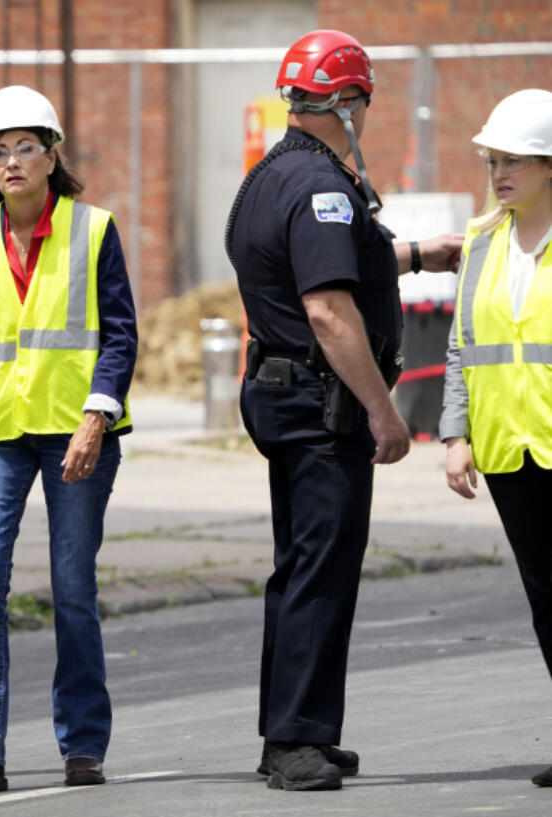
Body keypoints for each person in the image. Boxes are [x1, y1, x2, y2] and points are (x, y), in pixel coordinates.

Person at [225, 30, 462, 791]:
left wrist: (420, 255)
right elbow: (328, 308)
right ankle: (294, 737)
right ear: (349, 102)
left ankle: (299, 728)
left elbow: (337, 254)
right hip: (319, 404)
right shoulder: (321, 186)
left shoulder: (274, 174)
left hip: (283, 393)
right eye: (362, 99)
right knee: (320, 570)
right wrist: (383, 411)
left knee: (302, 565)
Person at [0, 85, 138, 792]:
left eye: (24, 147)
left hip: (76, 432)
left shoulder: (94, 229)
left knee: (72, 587)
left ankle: (83, 744)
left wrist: (95, 418)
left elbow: (119, 335)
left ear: (52, 155)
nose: (10, 161)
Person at [441, 89, 552, 788]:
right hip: (509, 446)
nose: (498, 173)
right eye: (492, 160)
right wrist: (456, 434)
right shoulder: (482, 240)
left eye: (513, 160)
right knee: (546, 598)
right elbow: (462, 345)